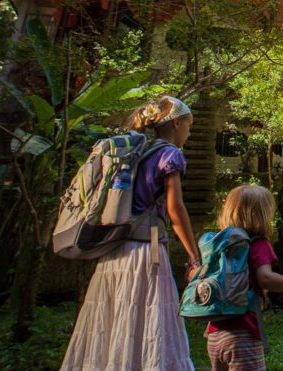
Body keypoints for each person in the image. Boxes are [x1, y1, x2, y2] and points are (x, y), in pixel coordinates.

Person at [61, 96, 201, 371]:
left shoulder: (135, 153)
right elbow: (175, 210)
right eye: (188, 126)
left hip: (114, 250)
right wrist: (193, 256)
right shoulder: (171, 155)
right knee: (150, 321)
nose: (188, 133)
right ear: (175, 124)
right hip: (146, 254)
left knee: (111, 322)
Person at [206, 185, 283, 371]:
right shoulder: (258, 244)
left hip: (214, 333)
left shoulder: (220, 244)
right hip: (242, 334)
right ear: (261, 215)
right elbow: (265, 278)